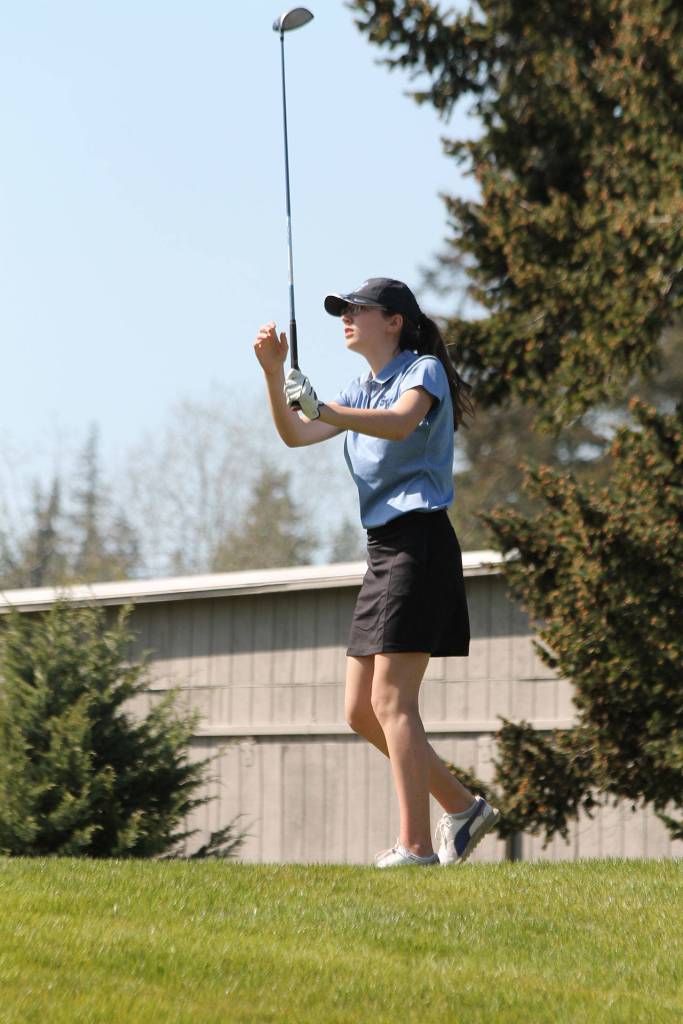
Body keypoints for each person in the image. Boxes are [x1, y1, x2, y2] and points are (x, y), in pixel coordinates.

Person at [254, 277, 500, 867]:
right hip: (384, 549)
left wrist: (325, 407)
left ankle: (415, 846)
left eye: (357, 309)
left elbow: (398, 423)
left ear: (394, 321)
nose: (346, 317)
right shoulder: (358, 388)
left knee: (393, 702)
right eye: (342, 310)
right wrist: (273, 373)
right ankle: (463, 808)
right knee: (360, 711)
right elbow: (296, 434)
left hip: (420, 542)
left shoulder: (421, 372)